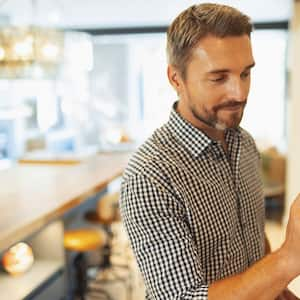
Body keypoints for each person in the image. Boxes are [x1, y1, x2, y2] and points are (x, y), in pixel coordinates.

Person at [120, 3, 300, 300]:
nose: (239, 93)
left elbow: (252, 240)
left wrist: (279, 289)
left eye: (245, 73)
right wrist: (288, 259)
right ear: (176, 78)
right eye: (219, 78)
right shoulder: (150, 176)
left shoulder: (244, 143)